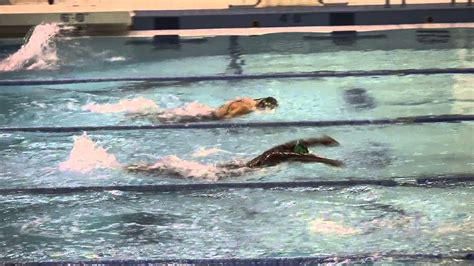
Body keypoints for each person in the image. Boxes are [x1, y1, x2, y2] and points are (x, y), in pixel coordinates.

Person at [125, 135, 343, 175]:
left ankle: (146, 167)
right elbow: (301, 156)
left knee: (196, 170)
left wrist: (320, 140)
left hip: (241, 166)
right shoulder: (279, 155)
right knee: (187, 174)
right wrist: (327, 161)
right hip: (241, 172)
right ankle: (144, 169)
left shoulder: (278, 150)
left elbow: (300, 145)